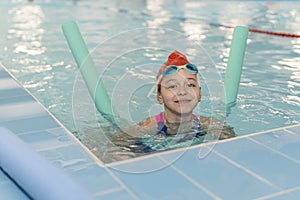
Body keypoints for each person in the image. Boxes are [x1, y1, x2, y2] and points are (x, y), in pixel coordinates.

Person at [104, 50, 235, 162]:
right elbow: (115, 147)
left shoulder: (209, 124)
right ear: (160, 96)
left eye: (190, 85)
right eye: (172, 86)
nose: (183, 92)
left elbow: (232, 144)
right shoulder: (148, 127)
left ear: (199, 94)